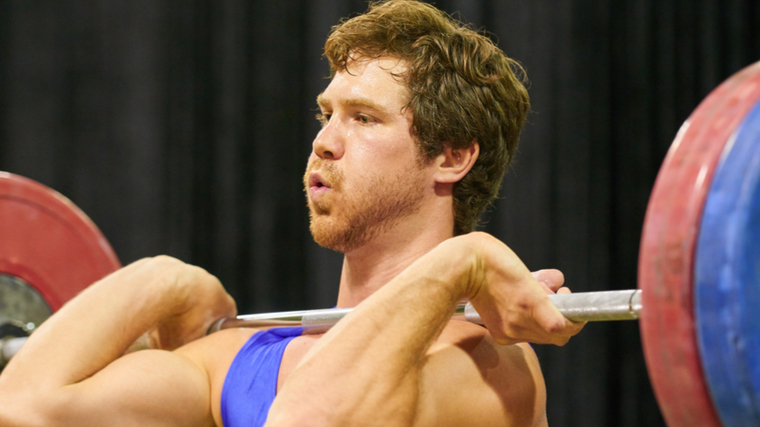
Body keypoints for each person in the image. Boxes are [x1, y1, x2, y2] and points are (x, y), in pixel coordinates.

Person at [0, 1, 585, 426]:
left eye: (363, 118)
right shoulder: (249, 358)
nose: (325, 141)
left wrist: (465, 259)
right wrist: (163, 278)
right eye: (325, 114)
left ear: (452, 156)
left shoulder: (490, 367)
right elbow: (24, 407)